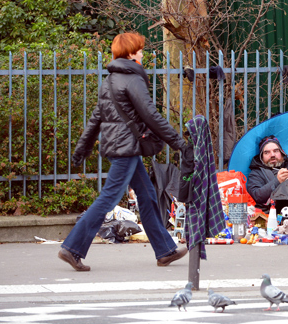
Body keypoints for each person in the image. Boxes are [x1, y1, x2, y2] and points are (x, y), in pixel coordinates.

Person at [59, 32, 191, 271]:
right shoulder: (132, 79)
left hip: (118, 146)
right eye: (140, 50)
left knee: (148, 194)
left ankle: (164, 251)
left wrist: (83, 147)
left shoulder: (109, 80)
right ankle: (72, 248)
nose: (142, 53)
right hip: (126, 147)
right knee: (109, 197)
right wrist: (178, 143)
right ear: (130, 53)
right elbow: (151, 115)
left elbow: (96, 118)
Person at [247, 135, 288, 212]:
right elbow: (256, 196)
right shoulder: (257, 173)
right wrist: (277, 181)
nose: (272, 155)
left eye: (276, 151)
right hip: (272, 213)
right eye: (267, 152)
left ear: (282, 152)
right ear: (261, 157)